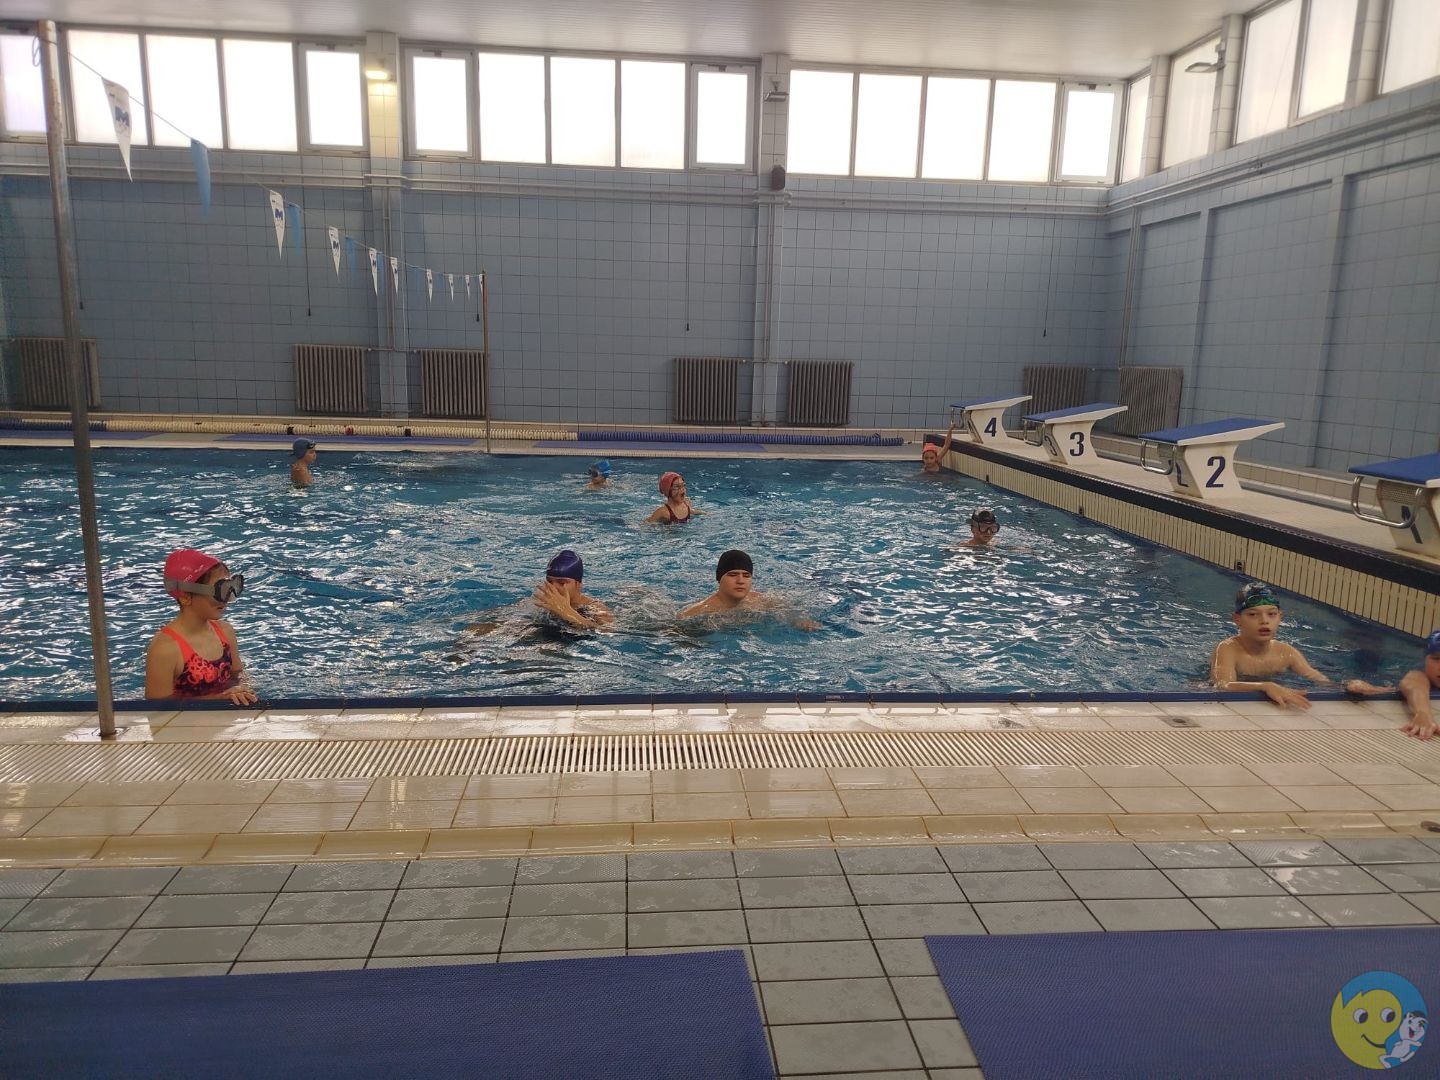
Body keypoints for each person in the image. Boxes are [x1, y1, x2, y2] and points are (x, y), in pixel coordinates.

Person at [1210, 581, 1388, 709]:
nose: (1264, 621)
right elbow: (1222, 685)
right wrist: (1266, 686)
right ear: (1237, 619)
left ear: (1280, 617)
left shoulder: (1286, 652)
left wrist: (1349, 685)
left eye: (1271, 614)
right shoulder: (1227, 648)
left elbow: (1319, 680)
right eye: (1253, 614)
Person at [145, 549, 257, 704]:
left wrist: (244, 688)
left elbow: (238, 675)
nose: (227, 598)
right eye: (220, 590)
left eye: (230, 587)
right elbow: (157, 708)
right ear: (185, 597)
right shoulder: (165, 648)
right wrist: (218, 699)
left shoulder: (225, 632)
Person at [680, 549, 819, 629]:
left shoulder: (761, 600)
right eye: (733, 575)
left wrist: (800, 622)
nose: (740, 581)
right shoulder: (697, 613)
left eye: (746, 576)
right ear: (719, 578)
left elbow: (789, 612)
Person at [530, 549, 612, 631]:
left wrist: (566, 612)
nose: (553, 587)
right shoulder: (542, 602)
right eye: (549, 581)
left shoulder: (594, 608)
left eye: (561, 583)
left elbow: (607, 631)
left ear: (578, 584)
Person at [1399, 630, 1440, 740]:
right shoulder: (1419, 675)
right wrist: (1423, 713)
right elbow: (1414, 683)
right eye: (1437, 659)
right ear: (1424, 660)